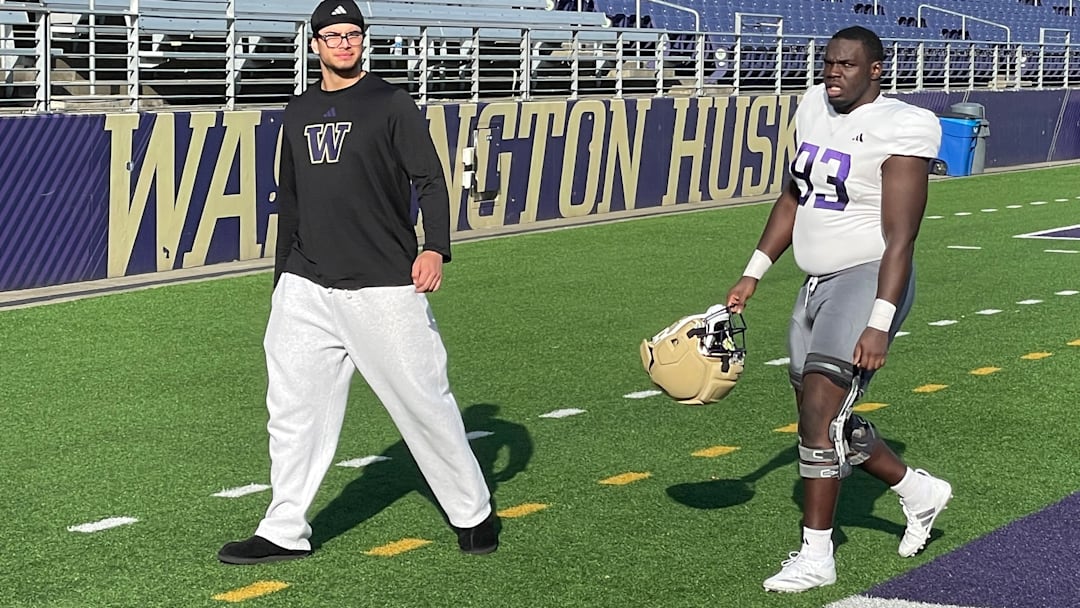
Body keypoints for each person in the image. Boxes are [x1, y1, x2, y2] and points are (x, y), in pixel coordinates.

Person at [218, 0, 498, 565]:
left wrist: (435, 248)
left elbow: (430, 179)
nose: (344, 43)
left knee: (424, 404)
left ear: (362, 41)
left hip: (384, 285)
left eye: (353, 34)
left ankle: (473, 511)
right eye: (333, 35)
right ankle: (284, 529)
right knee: (292, 412)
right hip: (306, 285)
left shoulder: (391, 103)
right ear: (315, 43)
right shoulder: (296, 110)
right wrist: (282, 281)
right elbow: (290, 200)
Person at [724, 26, 952, 593]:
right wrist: (753, 274)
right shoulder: (812, 107)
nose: (833, 73)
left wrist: (879, 323)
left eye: (847, 65)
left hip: (868, 279)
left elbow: (902, 239)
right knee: (823, 422)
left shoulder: (905, 124)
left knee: (819, 413)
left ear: (876, 69)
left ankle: (817, 554)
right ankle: (918, 491)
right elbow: (793, 195)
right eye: (828, 63)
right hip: (814, 282)